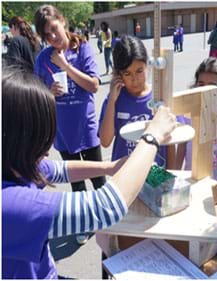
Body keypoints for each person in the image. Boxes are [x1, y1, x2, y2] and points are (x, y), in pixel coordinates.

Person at [2, 64, 176, 279]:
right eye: (42, 137)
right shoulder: (9, 205)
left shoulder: (13, 166)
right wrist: (153, 136)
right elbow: (105, 207)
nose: (48, 149)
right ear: (18, 139)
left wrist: (110, 167)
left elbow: (60, 169)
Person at [34, 4, 105, 244]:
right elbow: (36, 94)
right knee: (76, 184)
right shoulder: (43, 58)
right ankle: (84, 224)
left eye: (54, 29)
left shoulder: (82, 46)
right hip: (63, 132)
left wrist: (65, 66)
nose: (53, 37)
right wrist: (48, 91)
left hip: (86, 128)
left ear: (62, 21)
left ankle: (106, 219)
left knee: (99, 179)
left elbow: (94, 85)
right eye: (47, 34)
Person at [99, 35, 175, 169]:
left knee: (158, 190)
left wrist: (172, 173)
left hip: (155, 171)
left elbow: (170, 140)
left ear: (147, 65)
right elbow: (105, 141)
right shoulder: (115, 99)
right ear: (118, 74)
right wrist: (112, 101)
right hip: (125, 170)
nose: (134, 79)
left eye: (139, 71)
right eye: (127, 74)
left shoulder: (159, 96)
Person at [176, 57, 217, 206]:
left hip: (213, 186)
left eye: (212, 86)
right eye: (201, 84)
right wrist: (174, 178)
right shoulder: (187, 115)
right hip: (190, 182)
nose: (204, 90)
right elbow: (182, 148)